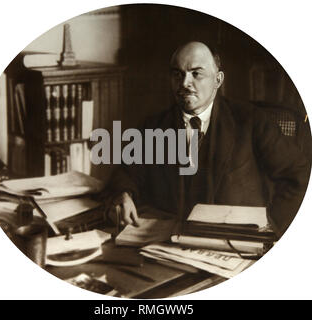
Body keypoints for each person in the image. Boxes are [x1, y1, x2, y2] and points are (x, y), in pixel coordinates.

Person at [107, 41, 310, 237]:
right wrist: (124, 194)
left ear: (218, 80)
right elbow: (126, 172)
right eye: (177, 74)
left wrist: (271, 227)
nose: (185, 83)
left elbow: (299, 176)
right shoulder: (153, 126)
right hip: (166, 244)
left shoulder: (250, 121)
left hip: (234, 244)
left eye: (196, 74)